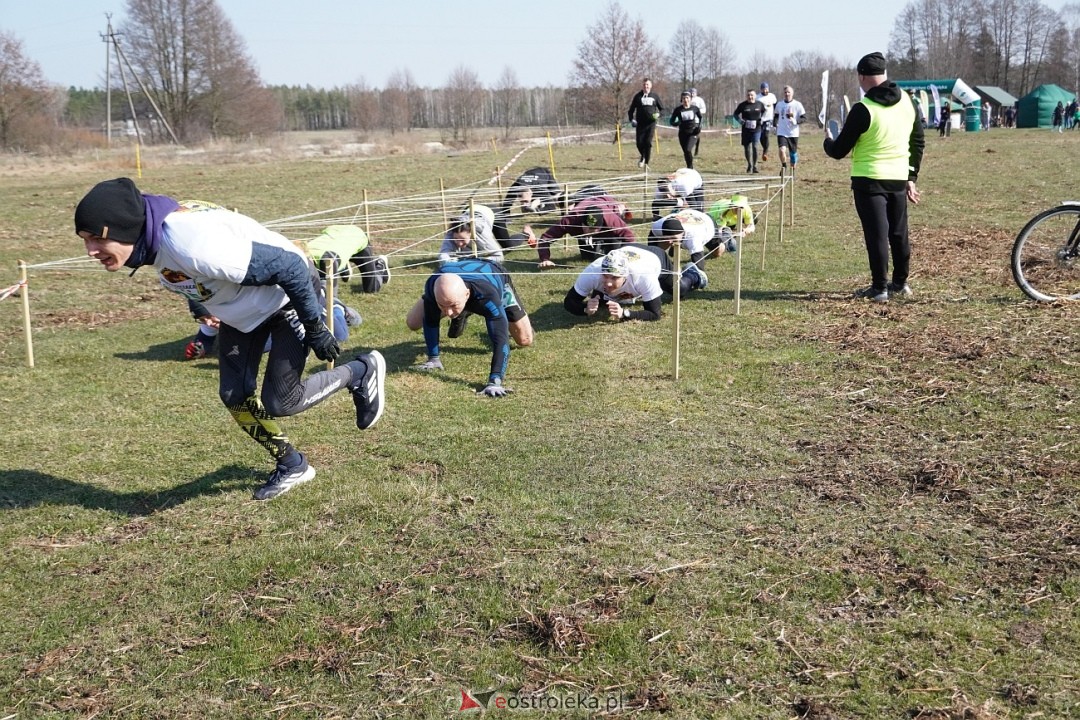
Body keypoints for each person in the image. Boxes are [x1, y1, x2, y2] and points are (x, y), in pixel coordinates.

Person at [74, 177, 388, 501]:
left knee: (282, 401)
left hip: (287, 300)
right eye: (84, 240)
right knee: (234, 395)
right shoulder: (155, 243)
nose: (90, 251)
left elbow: (292, 266)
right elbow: (188, 277)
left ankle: (360, 372)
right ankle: (293, 465)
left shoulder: (190, 242)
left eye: (97, 238)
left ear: (126, 227)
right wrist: (200, 308)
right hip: (242, 315)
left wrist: (315, 327)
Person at [823, 52, 925, 303]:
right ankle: (900, 283)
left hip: (869, 180)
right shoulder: (908, 103)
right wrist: (911, 175)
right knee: (899, 233)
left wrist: (827, 141)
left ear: (862, 77)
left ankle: (879, 288)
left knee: (877, 235)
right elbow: (918, 141)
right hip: (899, 178)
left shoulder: (863, 109)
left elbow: (839, 151)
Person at [405, 257, 533, 398]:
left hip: (494, 274)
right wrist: (433, 359)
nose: (447, 313)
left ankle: (465, 309)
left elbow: (500, 339)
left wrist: (495, 381)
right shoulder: (432, 284)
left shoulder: (488, 295)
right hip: (457, 271)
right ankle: (460, 309)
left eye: (453, 306)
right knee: (413, 322)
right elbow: (430, 320)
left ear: (466, 294)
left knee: (524, 340)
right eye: (442, 305)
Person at [563, 245, 707, 323]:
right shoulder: (592, 273)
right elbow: (569, 301)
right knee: (602, 299)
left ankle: (692, 273)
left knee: (679, 290)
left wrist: (625, 314)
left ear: (625, 275)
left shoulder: (643, 276)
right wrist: (584, 309)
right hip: (627, 250)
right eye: (605, 276)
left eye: (614, 278)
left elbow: (654, 314)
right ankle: (608, 296)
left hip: (655, 257)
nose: (608, 282)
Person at [535, 194, 633, 268]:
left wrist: (625, 255)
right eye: (588, 228)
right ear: (582, 223)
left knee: (612, 257)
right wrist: (545, 259)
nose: (592, 231)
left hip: (606, 204)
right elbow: (546, 238)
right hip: (584, 215)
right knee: (588, 258)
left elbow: (629, 237)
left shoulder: (611, 219)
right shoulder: (570, 220)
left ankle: (621, 207)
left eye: (594, 229)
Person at [306, 224, 389, 295]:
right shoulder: (301, 254)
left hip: (357, 237)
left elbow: (331, 297)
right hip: (334, 232)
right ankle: (343, 266)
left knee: (371, 288)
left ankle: (380, 265)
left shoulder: (328, 261)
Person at [647, 210, 738, 273]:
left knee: (718, 252)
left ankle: (726, 235)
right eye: (668, 237)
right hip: (689, 213)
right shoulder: (658, 226)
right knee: (660, 247)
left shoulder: (694, 238)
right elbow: (651, 250)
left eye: (674, 238)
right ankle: (674, 247)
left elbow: (699, 269)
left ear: (683, 233)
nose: (670, 241)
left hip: (707, 223)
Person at [627, 78, 664, 168]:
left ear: (650, 86)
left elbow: (662, 109)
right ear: (642, 86)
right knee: (639, 143)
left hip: (651, 123)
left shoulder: (655, 96)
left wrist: (658, 114)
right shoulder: (637, 96)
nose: (646, 86)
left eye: (647, 84)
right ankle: (643, 156)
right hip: (640, 123)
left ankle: (646, 162)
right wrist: (632, 120)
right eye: (644, 85)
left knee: (647, 142)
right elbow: (631, 110)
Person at [774, 85, 807, 170]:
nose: (787, 94)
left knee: (793, 155)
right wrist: (775, 124)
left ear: (792, 93)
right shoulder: (779, 104)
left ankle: (792, 170)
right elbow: (776, 116)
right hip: (782, 131)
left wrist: (796, 122)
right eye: (785, 92)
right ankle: (784, 165)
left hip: (793, 132)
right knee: (782, 150)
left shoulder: (797, 104)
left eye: (789, 92)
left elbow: (804, 118)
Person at [733, 89, 766, 173]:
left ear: (755, 96)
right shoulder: (743, 105)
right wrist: (740, 121)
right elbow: (735, 114)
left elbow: (765, 112)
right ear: (746, 96)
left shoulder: (759, 104)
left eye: (752, 95)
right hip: (746, 130)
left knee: (755, 146)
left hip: (757, 129)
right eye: (748, 95)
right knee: (747, 148)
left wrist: (762, 119)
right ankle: (749, 164)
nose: (750, 97)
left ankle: (755, 166)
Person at [670, 91, 703, 169]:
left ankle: (690, 168)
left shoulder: (695, 108)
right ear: (681, 100)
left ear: (690, 99)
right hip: (682, 133)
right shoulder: (678, 110)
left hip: (693, 133)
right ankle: (689, 167)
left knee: (688, 150)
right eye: (683, 98)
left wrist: (699, 126)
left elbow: (701, 117)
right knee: (686, 152)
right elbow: (671, 121)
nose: (685, 100)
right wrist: (677, 123)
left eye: (687, 98)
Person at [757, 81, 778, 162]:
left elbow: (776, 105)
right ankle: (764, 149)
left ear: (768, 89)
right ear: (761, 90)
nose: (765, 91)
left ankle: (765, 152)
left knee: (766, 135)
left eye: (766, 89)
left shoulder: (772, 96)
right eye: (763, 89)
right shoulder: (758, 98)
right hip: (760, 119)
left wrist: (776, 117)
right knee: (761, 137)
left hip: (769, 119)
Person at [689, 87, 707, 156]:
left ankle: (696, 147)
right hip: (689, 120)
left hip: (697, 120)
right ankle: (689, 148)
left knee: (696, 135)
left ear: (696, 93)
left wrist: (697, 112)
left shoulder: (699, 100)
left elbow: (704, 110)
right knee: (689, 134)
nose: (692, 94)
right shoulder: (687, 99)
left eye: (693, 92)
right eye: (691, 92)